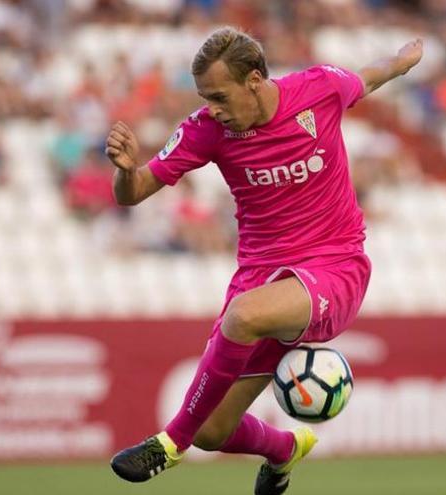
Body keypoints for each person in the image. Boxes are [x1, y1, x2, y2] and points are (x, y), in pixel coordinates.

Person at [106, 26, 423, 494]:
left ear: (254, 79)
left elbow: (368, 77)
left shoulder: (318, 90)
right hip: (261, 276)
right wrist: (125, 171)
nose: (212, 107)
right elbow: (134, 194)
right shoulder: (206, 130)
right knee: (213, 431)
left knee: (243, 317)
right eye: (204, 97)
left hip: (334, 266)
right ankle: (283, 451)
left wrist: (402, 59)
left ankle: (170, 444)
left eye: (219, 95)